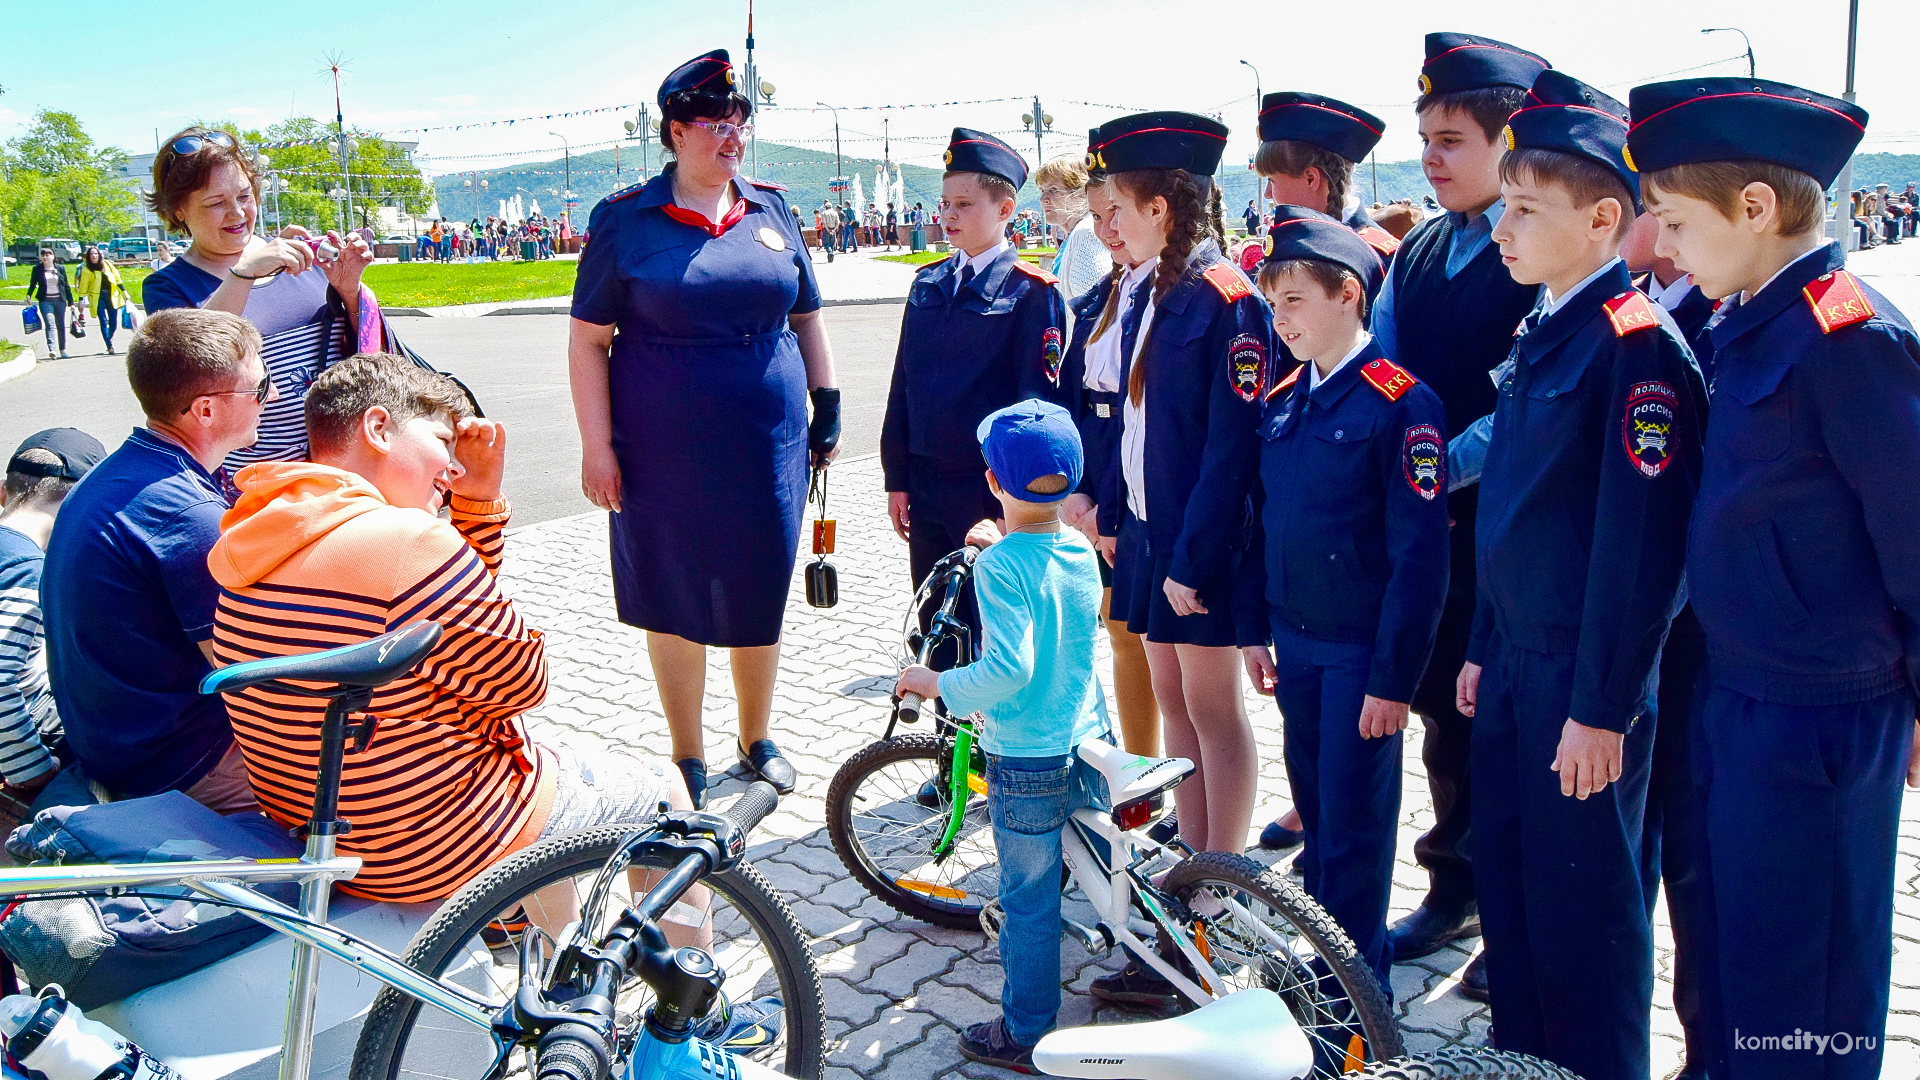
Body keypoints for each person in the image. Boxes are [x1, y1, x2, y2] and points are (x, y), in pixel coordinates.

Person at [1631, 76, 1920, 1080]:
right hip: (1739, 692)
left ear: (1755, 209)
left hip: (1821, 714)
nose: (1662, 247)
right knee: (1745, 957)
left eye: (1673, 220)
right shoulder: (1750, 317)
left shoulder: (1850, 339)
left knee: (1815, 986)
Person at [204, 354, 677, 898]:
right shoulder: (406, 542)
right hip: (427, 846)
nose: (454, 469)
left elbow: (452, 635)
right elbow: (523, 685)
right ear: (378, 428)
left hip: (322, 835)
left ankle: (551, 966)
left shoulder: (255, 534)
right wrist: (476, 511)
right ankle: (693, 979)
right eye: (441, 442)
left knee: (548, 782)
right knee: (664, 794)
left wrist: (468, 506)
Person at [1458, 70, 1705, 1080]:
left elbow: (1641, 554)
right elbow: (1509, 512)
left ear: (1605, 218)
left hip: (1584, 685)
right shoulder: (1547, 327)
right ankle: (1524, 1064)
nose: (1500, 229)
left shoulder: (1636, 353)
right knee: (1513, 893)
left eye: (1523, 209)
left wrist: (1603, 709)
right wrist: (1480, 646)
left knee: (1586, 918)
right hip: (1518, 664)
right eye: (1502, 205)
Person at [570, 49, 841, 810]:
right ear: (677, 131)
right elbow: (589, 341)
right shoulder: (625, 221)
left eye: (739, 124)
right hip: (660, 447)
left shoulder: (771, 208)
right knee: (674, 590)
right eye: (716, 125)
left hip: (769, 442)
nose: (732, 139)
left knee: (761, 582)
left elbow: (806, 313)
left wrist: (827, 399)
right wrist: (598, 446)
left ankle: (757, 738)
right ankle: (685, 754)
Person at [1372, 36, 1549, 996]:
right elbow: (1390, 374)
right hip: (1430, 523)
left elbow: (1517, 405)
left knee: (1505, 725)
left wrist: (1428, 478)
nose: (1431, 158)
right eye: (1426, 138)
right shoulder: (1427, 247)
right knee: (1443, 712)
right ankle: (1455, 888)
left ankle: (1512, 917)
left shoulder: (1537, 248)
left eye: (1450, 139)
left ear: (1511, 140)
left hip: (1502, 529)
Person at [1236, 208, 1449, 992]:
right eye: (1273, 300)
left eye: (1294, 300)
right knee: (1321, 822)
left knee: (1356, 835)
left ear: (1349, 294)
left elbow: (1420, 561)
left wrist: (1394, 682)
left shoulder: (1401, 404)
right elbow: (1264, 526)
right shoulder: (1290, 400)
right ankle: (1329, 975)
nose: (1279, 318)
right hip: (1296, 648)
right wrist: (1254, 627)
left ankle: (1361, 1009)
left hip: (1361, 657)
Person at [894, 399, 1110, 1074]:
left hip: (1027, 755)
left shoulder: (998, 568)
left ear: (993, 484)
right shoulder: (1077, 545)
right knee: (1105, 873)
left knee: (1027, 900)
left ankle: (1024, 1029)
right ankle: (1137, 966)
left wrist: (937, 686)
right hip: (1090, 737)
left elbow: (1009, 668)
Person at [1087, 112, 1269, 861]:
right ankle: (1193, 857)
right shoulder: (1148, 290)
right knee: (1174, 703)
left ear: (1159, 209)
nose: (1110, 228)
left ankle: (1222, 875)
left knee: (1212, 708)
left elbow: (1234, 452)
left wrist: (1194, 560)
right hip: (1147, 532)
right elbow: (1128, 425)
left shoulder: (1227, 299)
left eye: (1120, 211)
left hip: (1199, 547)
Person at [41, 308, 272, 810]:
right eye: (259, 387)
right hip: (179, 764)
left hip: (113, 743)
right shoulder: (189, 516)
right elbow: (251, 680)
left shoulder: (113, 474)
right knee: (367, 791)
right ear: (206, 410)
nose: (269, 398)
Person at [881, 128, 1070, 670]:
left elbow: (1038, 410)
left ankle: (995, 754)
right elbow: (903, 388)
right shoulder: (928, 283)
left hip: (989, 494)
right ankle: (945, 751)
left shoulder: (1031, 294)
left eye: (964, 204)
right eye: (945, 203)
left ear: (1006, 207)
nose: (948, 215)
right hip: (927, 487)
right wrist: (897, 477)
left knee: (992, 637)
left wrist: (1017, 508)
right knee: (937, 628)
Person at [142, 126, 382, 473]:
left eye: (244, 196)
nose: (237, 214)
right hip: (257, 483)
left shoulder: (298, 254)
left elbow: (367, 350)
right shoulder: (168, 286)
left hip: (349, 464)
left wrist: (349, 290)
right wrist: (243, 274)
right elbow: (193, 369)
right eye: (216, 203)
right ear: (178, 210)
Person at [1060, 171, 1159, 756]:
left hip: (1137, 501)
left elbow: (1140, 421)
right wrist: (1078, 494)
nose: (1106, 230)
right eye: (1097, 218)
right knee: (1123, 637)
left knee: (1157, 648)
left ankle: (1161, 776)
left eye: (1114, 214)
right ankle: (1140, 771)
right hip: (1095, 497)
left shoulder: (1164, 298)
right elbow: (1073, 402)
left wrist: (1111, 512)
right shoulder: (1100, 298)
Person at [0, 429, 106, 824]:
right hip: (25, 745)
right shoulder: (27, 573)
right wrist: (32, 769)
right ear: (79, 507)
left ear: (2, 491)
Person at [1254, 92, 1401, 260]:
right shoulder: (1290, 243)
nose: (1267, 194)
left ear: (1311, 179)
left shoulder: (1380, 257)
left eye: (1272, 180)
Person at [1036, 154, 1112, 319]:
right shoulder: (1076, 234)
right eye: (1042, 190)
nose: (1043, 199)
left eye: (1053, 190)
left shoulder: (1085, 234)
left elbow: (1094, 311)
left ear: (1079, 193)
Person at [76, 247, 130, 356]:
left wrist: (124, 291)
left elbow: (117, 278)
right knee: (103, 320)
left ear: (99, 255)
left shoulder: (107, 265)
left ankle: (108, 338)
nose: (94, 256)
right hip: (97, 296)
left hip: (111, 295)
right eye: (91, 254)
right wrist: (81, 299)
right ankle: (109, 346)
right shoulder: (87, 269)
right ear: (88, 256)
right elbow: (83, 285)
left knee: (114, 323)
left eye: (95, 253)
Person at [25, 250, 72, 359]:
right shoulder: (37, 269)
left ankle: (62, 349)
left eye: (48, 255)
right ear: (40, 257)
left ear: (53, 256)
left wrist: (71, 302)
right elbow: (33, 284)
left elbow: (66, 285)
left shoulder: (60, 268)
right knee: (50, 324)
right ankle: (52, 349)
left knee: (60, 325)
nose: (45, 257)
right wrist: (29, 295)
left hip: (60, 300)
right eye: (43, 255)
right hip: (45, 300)